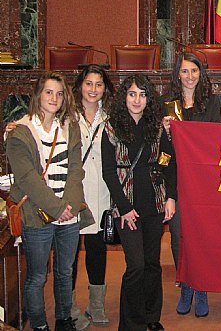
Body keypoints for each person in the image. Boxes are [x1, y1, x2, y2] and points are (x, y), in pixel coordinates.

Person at [6, 72, 93, 331]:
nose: (54, 98)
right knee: (37, 276)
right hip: (37, 214)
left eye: (59, 93)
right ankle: (41, 324)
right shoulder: (20, 132)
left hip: (68, 213)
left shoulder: (70, 127)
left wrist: (69, 206)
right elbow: (28, 179)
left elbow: (76, 170)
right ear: (38, 95)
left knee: (65, 272)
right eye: (48, 92)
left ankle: (63, 319)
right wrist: (56, 209)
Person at [102, 74, 176, 331]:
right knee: (136, 265)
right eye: (132, 94)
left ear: (149, 99)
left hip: (155, 203)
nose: (137, 99)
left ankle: (151, 317)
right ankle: (131, 323)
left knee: (153, 264)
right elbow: (109, 171)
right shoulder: (111, 127)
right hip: (127, 207)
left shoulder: (157, 126)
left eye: (142, 94)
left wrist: (171, 196)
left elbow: (168, 161)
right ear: (124, 97)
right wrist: (124, 207)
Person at [162, 52, 221, 318]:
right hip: (176, 180)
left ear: (201, 73)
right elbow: (163, 151)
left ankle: (202, 286)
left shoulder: (211, 103)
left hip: (204, 182)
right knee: (178, 238)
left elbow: (217, 142)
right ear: (177, 74)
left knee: (203, 236)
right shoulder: (167, 103)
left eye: (194, 71)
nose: (189, 76)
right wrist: (163, 130)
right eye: (184, 71)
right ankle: (186, 284)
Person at [71, 65, 115, 328]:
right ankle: (70, 306)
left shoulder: (109, 119)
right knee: (69, 254)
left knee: (97, 250)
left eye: (98, 84)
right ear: (80, 86)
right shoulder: (66, 116)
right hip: (73, 194)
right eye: (89, 83)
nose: (93, 89)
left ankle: (96, 305)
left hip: (100, 193)